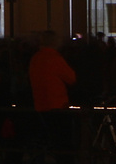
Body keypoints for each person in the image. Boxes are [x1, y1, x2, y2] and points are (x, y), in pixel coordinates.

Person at [27, 31, 76, 161]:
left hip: (40, 104)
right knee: (63, 144)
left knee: (44, 142)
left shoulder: (35, 58)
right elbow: (71, 78)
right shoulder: (55, 58)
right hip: (57, 105)